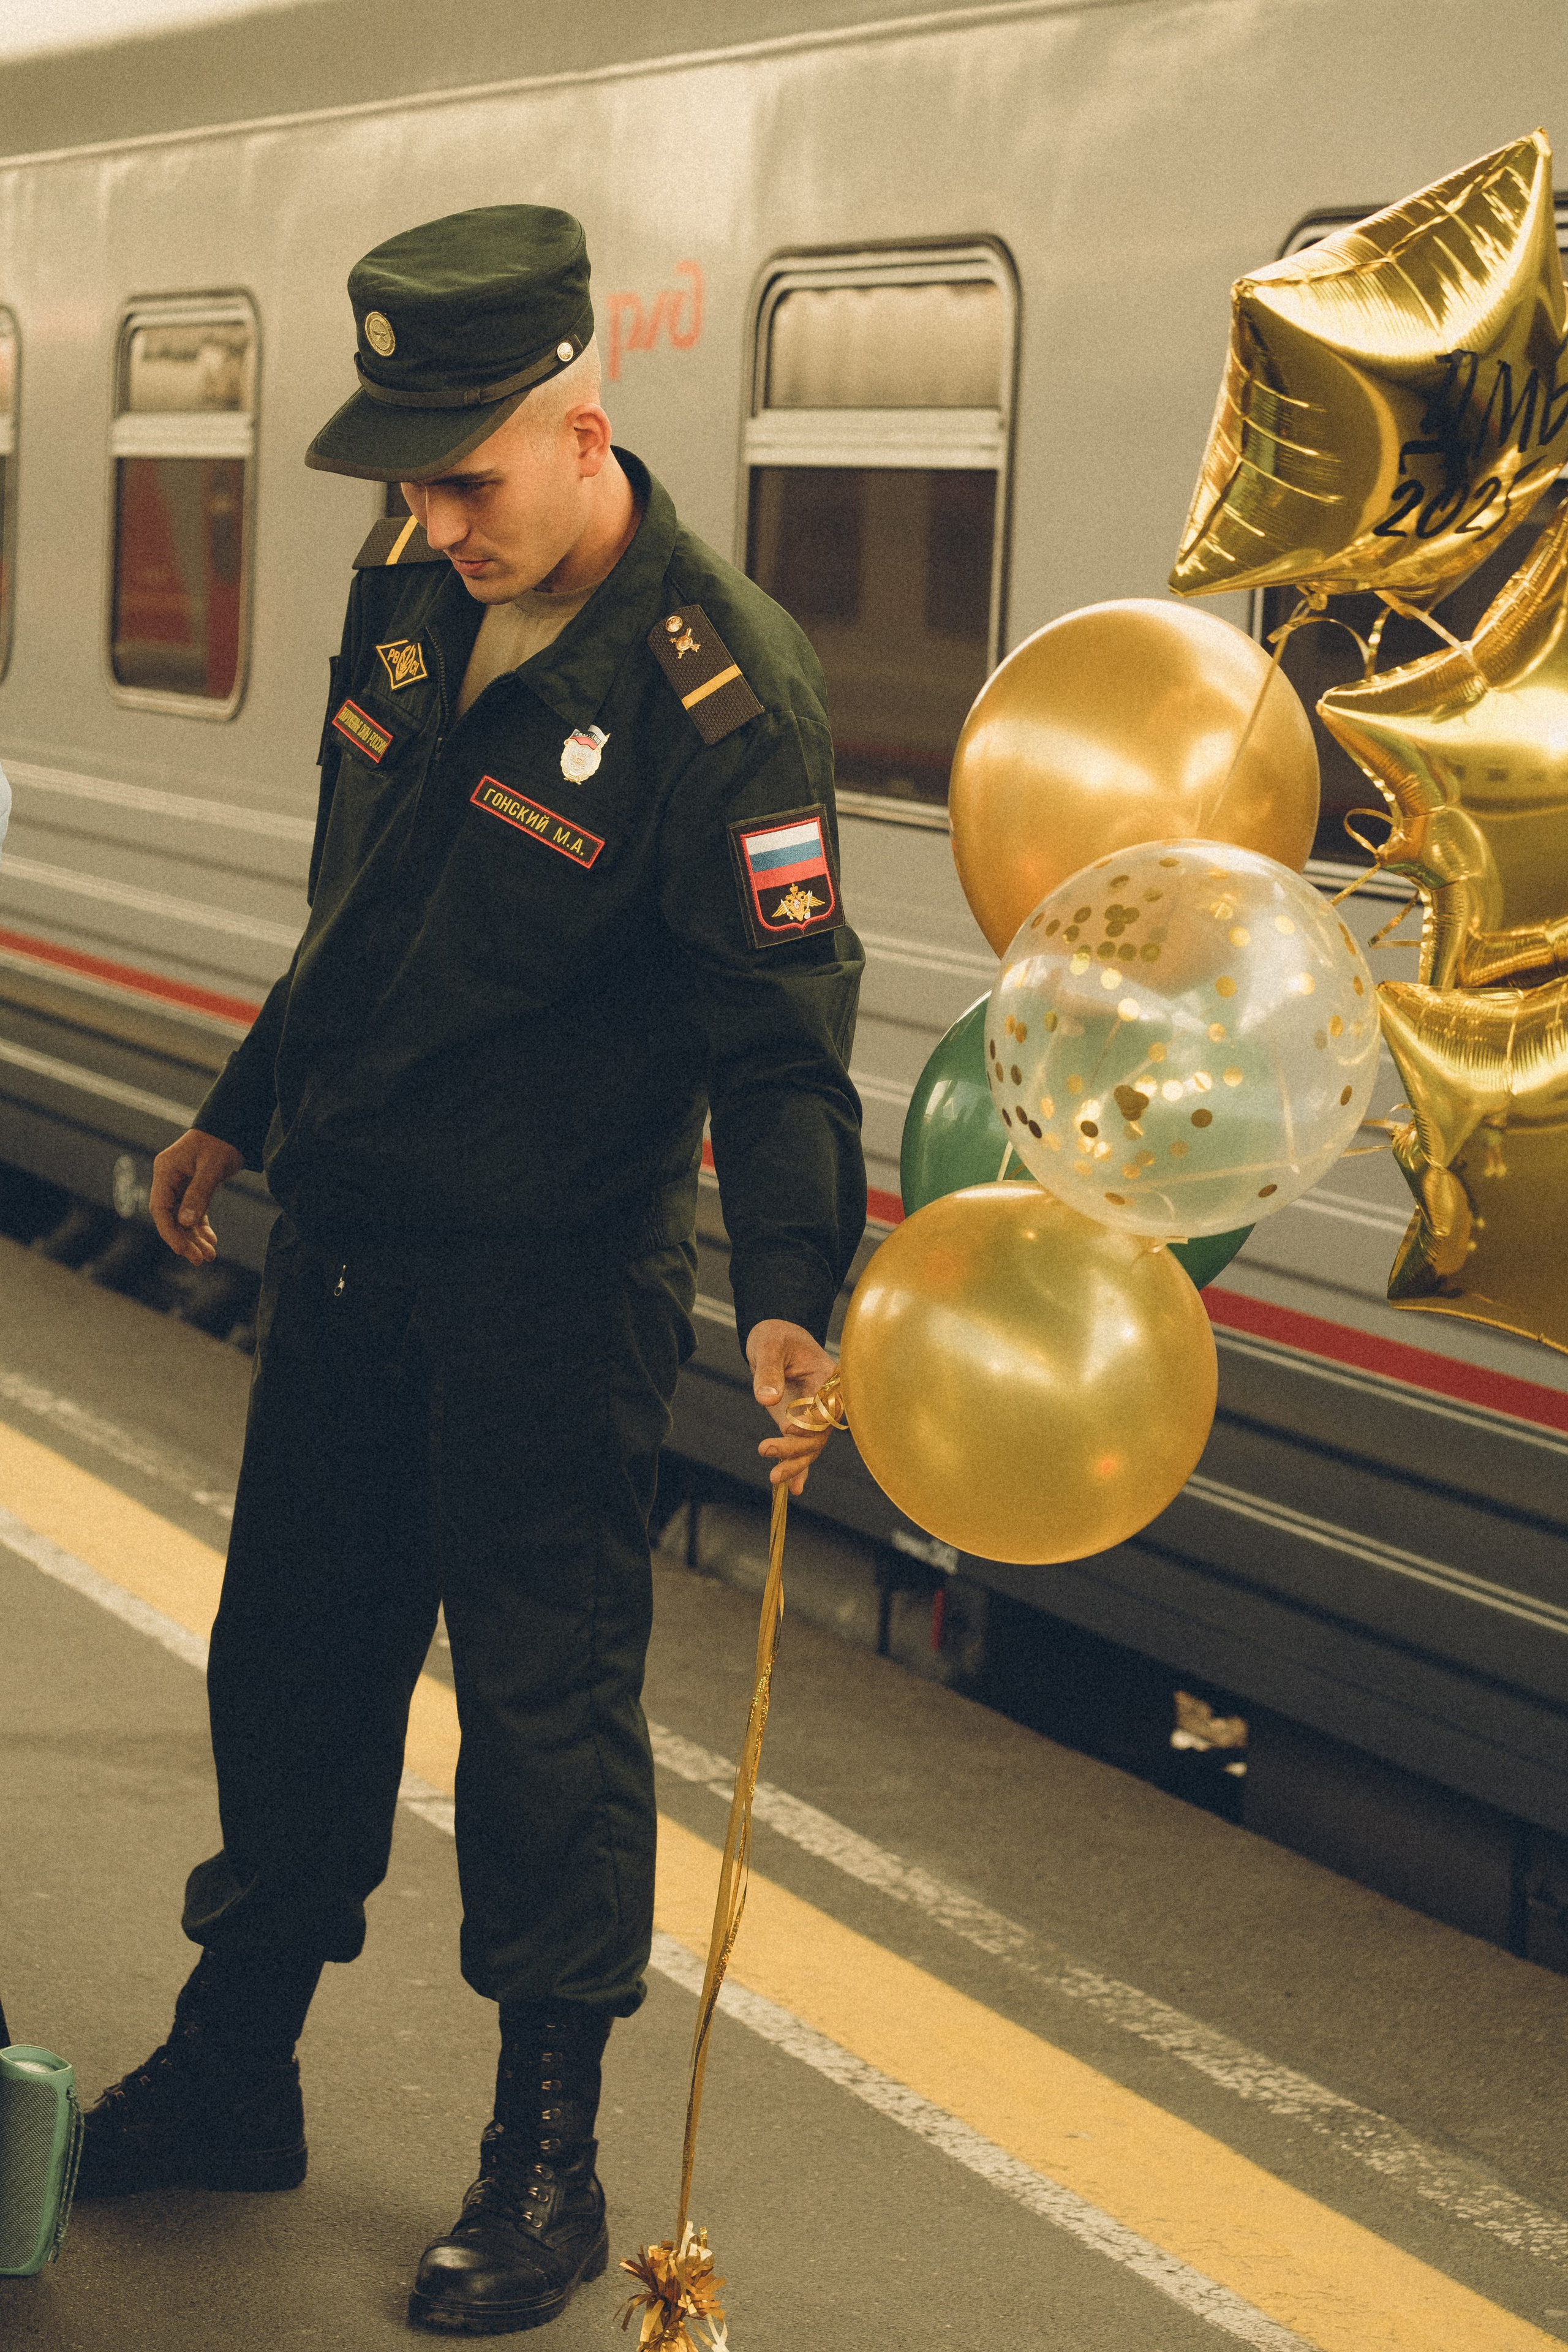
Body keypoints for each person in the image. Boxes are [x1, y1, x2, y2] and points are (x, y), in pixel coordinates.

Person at [75, 205, 865, 2337]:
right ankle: (241, 2065)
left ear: (584, 431)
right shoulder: (416, 594)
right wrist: (239, 1107)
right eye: (408, 479)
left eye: (469, 478)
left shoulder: (720, 691)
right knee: (293, 1671)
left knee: (543, 1728)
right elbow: (367, 905)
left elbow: (783, 1038)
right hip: (350, 1248)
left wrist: (801, 1281)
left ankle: (545, 2160)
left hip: (547, 1288)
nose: (432, 522)